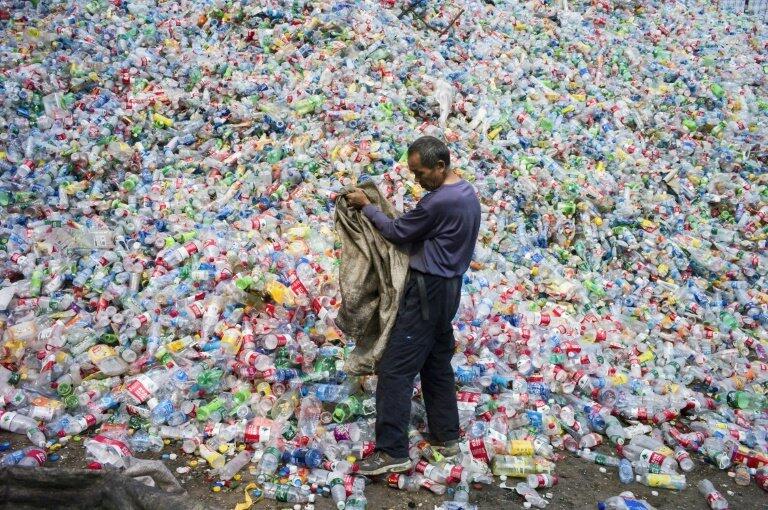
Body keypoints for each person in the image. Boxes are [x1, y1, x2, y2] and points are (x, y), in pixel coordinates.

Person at [344, 136, 481, 476]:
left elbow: (395, 231)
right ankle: (445, 437)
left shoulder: (439, 202)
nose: (417, 180)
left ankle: (392, 451)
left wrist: (367, 206)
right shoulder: (466, 192)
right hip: (450, 288)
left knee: (395, 369)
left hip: (426, 291)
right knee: (436, 363)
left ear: (440, 166)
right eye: (413, 173)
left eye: (421, 173)